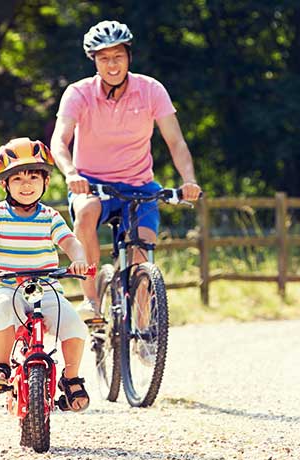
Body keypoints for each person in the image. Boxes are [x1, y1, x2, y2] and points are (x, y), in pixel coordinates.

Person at [50, 20, 202, 317]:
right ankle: (92, 300)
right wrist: (71, 173)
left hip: (139, 185)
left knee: (142, 251)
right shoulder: (78, 93)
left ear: (129, 56)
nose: (112, 64)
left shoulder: (151, 90)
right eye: (104, 57)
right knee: (85, 211)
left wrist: (189, 180)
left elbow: (176, 142)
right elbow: (59, 140)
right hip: (92, 184)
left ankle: (144, 326)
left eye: (118, 56)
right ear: (93, 60)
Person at [0, 138, 91, 412]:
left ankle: (71, 379)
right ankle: (0, 366)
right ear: (5, 184)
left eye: (34, 177)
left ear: (46, 181)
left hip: (46, 286)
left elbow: (70, 242)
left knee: (74, 324)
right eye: (18, 178)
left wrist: (79, 259)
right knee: (1, 309)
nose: (26, 185)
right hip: (5, 284)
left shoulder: (50, 216)